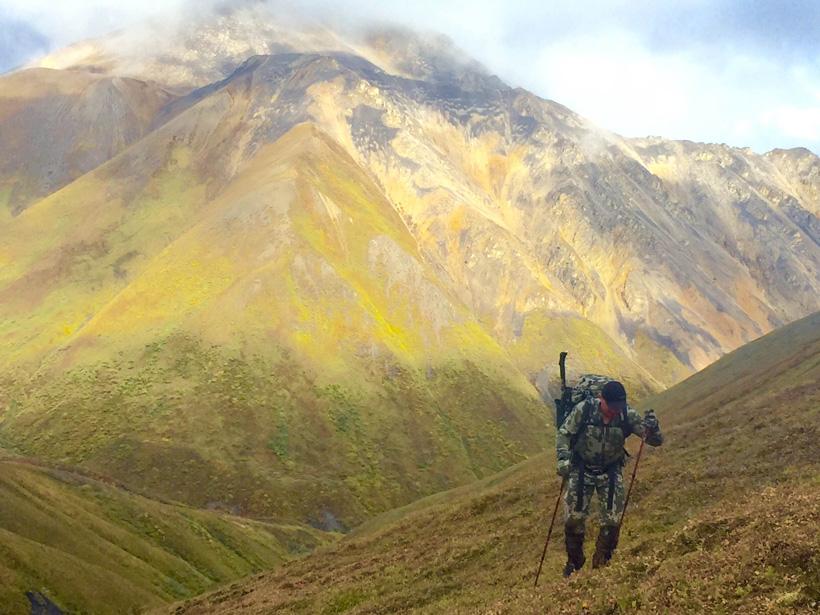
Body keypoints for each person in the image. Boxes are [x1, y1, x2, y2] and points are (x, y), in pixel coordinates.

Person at [555, 380, 662, 577]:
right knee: (573, 519)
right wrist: (563, 459)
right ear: (601, 399)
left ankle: (601, 565)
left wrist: (653, 428)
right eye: (611, 406)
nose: (614, 411)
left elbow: (654, 440)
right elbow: (564, 434)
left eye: (618, 407)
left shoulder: (626, 414)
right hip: (581, 468)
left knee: (612, 522)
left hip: (611, 472)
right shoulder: (584, 410)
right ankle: (574, 562)